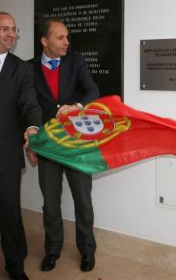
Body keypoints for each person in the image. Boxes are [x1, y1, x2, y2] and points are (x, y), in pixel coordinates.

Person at [29, 18, 100, 272]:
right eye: (60, 37)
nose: (66, 42)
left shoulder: (76, 62)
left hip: (76, 144)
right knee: (50, 202)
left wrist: (78, 106)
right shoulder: (29, 68)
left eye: (67, 37)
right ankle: (52, 250)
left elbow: (93, 91)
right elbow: (27, 107)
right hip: (47, 145)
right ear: (44, 41)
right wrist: (31, 140)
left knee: (83, 200)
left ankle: (88, 250)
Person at [0, 12, 42, 280]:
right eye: (4, 28)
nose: (10, 34)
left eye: (14, 29)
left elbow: (29, 102)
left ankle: (15, 266)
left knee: (9, 212)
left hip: (5, 153)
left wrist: (32, 127)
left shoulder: (21, 68)